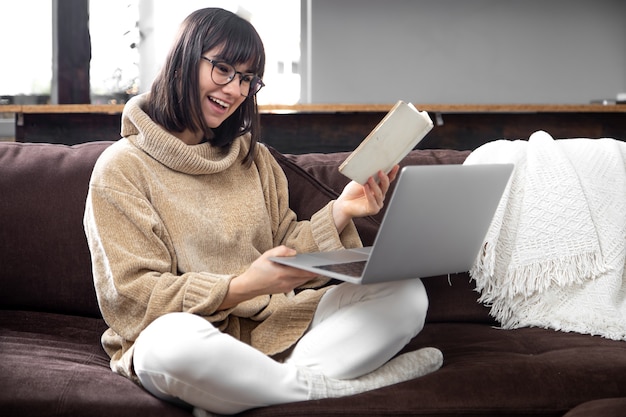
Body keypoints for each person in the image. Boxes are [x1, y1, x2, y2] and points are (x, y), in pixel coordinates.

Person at [84, 7, 442, 416]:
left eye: (247, 79)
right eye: (222, 69)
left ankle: (249, 391)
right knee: (168, 346)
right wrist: (242, 286)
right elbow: (134, 298)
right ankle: (329, 386)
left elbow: (288, 250)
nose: (235, 90)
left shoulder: (254, 159)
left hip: (277, 323)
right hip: (191, 333)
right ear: (183, 60)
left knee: (406, 293)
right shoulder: (121, 169)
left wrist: (342, 210)